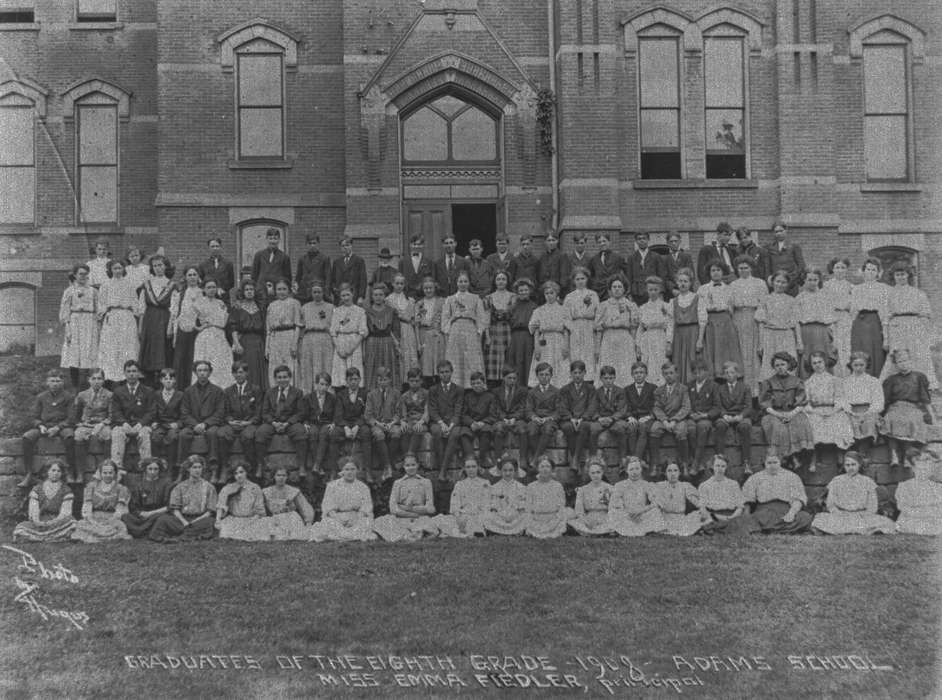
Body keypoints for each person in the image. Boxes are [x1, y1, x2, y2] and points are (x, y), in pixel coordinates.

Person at [881, 261, 936, 390]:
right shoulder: (889, 294)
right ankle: (894, 386)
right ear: (893, 276)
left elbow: (926, 314)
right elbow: (885, 317)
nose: (900, 277)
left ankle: (922, 385)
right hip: (897, 327)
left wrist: (924, 332)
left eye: (903, 274)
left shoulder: (918, 293)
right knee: (897, 356)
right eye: (898, 274)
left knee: (918, 354)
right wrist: (886, 338)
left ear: (908, 275)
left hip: (914, 326)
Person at [811, 451, 896, 535]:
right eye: (847, 465)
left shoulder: (867, 481)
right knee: (820, 519)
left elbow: (873, 506)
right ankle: (862, 530)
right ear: (844, 466)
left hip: (862, 516)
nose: (850, 468)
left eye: (853, 464)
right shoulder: (836, 481)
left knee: (886, 522)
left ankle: (844, 530)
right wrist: (838, 513)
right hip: (842, 516)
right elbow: (830, 504)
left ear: (859, 465)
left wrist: (864, 515)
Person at [18, 369, 75, 488]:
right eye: (52, 381)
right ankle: (29, 473)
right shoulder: (41, 397)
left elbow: (71, 418)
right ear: (47, 383)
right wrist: (40, 425)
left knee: (70, 437)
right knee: (27, 438)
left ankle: (70, 472)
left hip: (61, 427)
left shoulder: (69, 397)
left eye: (58, 381)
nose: (55, 383)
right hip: (44, 426)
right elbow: (34, 417)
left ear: (63, 382)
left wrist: (58, 427)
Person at [759, 352, 814, 470]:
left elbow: (802, 401)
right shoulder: (768, 382)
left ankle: (795, 456)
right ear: (774, 367)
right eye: (777, 365)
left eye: (783, 364)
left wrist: (791, 414)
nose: (780, 367)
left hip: (793, 411)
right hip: (773, 413)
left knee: (799, 423)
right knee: (777, 427)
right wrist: (778, 414)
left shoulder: (797, 381)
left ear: (788, 365)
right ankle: (787, 458)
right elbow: (765, 404)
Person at [255, 365, 308, 481]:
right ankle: (260, 464)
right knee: (260, 433)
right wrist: (273, 423)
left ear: (290, 378)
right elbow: (265, 412)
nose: (282, 380)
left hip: (290, 423)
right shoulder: (270, 392)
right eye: (279, 377)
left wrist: (288, 423)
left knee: (300, 432)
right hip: (273, 423)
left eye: (285, 377)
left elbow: (300, 413)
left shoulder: (297, 392)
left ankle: (302, 465)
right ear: (275, 379)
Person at [881, 349, 933, 468]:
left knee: (911, 420)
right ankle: (893, 454)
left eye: (905, 360)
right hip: (895, 407)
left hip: (912, 407)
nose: (903, 363)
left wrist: (932, 417)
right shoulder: (891, 380)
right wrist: (882, 414)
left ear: (910, 361)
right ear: (896, 364)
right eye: (899, 361)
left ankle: (906, 457)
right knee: (890, 419)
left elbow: (925, 398)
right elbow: (886, 400)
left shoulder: (919, 377)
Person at [803, 351, 854, 471]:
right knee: (812, 422)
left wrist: (833, 411)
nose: (817, 365)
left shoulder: (835, 380)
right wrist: (815, 412)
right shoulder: (808, 382)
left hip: (832, 409)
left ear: (825, 362)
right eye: (814, 363)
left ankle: (840, 456)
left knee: (840, 420)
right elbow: (805, 402)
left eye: (820, 362)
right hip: (815, 411)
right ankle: (813, 458)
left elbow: (840, 398)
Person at [148, 455, 218, 542]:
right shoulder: (180, 487)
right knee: (163, 520)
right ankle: (188, 534)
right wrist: (184, 522)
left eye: (199, 467)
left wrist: (195, 521)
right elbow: (175, 509)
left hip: (200, 519)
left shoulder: (209, 487)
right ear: (188, 469)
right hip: (182, 519)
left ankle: (177, 537)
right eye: (194, 467)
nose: (197, 470)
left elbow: (210, 512)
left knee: (210, 522)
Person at [740, 453, 813, 534]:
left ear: (780, 462)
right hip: (764, 512)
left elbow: (798, 499)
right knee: (752, 519)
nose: (772, 466)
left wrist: (791, 514)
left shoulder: (792, 476)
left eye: (775, 462)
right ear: (764, 463)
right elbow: (747, 498)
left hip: (786, 510)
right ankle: (784, 530)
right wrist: (746, 517)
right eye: (769, 463)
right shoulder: (755, 477)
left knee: (804, 517)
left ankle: (769, 529)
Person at [373, 453, 439, 541]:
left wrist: (407, 508)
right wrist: (412, 514)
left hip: (420, 518)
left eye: (413, 465)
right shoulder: (398, 483)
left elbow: (430, 509)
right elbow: (393, 509)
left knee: (430, 525)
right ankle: (410, 534)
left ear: (417, 465)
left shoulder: (426, 482)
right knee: (380, 522)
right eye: (407, 465)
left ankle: (412, 533)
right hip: (402, 517)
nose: (410, 468)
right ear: (403, 466)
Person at [97, 259, 142, 384]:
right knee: (112, 346)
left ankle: (128, 376)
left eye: (119, 268)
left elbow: (135, 302)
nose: (117, 271)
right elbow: (101, 302)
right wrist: (104, 314)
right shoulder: (105, 285)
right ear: (110, 270)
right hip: (113, 316)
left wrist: (135, 313)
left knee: (127, 345)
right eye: (114, 268)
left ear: (123, 269)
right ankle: (111, 377)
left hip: (127, 316)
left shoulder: (130, 284)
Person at [309, 458, 376, 542]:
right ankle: (350, 536)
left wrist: (357, 518)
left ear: (357, 471)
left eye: (352, 469)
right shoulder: (332, 486)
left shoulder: (363, 487)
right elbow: (327, 505)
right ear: (341, 471)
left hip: (356, 516)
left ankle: (343, 536)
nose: (349, 472)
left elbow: (367, 505)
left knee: (365, 522)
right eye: (346, 469)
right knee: (328, 523)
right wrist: (337, 518)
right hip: (337, 516)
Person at [178, 361, 225, 478]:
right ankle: (182, 469)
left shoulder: (217, 391)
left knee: (213, 433)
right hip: (193, 425)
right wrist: (195, 425)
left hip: (210, 425)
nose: (202, 373)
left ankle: (213, 469)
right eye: (200, 370)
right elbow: (184, 413)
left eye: (205, 370)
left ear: (210, 373)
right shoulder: (188, 391)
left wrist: (205, 424)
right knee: (183, 434)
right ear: (195, 373)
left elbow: (220, 412)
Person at [109, 360, 155, 478]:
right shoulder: (118, 391)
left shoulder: (148, 391)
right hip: (124, 424)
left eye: (134, 371)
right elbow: (115, 411)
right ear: (124, 373)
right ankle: (117, 468)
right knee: (117, 433)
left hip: (142, 425)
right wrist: (123, 423)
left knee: (145, 434)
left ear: (139, 373)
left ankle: (147, 468)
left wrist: (141, 424)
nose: (131, 374)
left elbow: (151, 411)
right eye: (128, 371)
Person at [728, 255, 768, 394]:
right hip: (738, 319)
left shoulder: (760, 283)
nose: (743, 270)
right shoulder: (733, 285)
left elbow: (763, 305)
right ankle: (741, 391)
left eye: (746, 267)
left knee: (753, 355)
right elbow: (730, 307)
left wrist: (760, 321)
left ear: (751, 268)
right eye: (740, 268)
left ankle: (755, 392)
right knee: (740, 354)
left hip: (753, 319)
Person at [442, 270, 487, 388]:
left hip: (470, 331)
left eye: (465, 281)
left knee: (471, 360)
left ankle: (472, 386)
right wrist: (453, 318)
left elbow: (482, 319)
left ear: (469, 283)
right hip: (455, 331)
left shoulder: (476, 298)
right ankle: (456, 386)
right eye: (460, 281)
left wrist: (478, 331)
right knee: (456, 360)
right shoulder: (450, 299)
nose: (463, 283)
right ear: (456, 283)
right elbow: (444, 320)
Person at [12, 460, 77, 542]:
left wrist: (53, 522)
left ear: (62, 473)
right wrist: (38, 522)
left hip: (58, 522)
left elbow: (65, 513)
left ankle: (39, 537)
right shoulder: (37, 488)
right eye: (53, 470)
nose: (56, 473)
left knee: (72, 523)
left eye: (59, 471)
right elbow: (33, 510)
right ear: (47, 472)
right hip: (40, 521)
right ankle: (55, 537)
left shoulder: (66, 490)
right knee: (20, 528)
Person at [697, 262, 743, 379]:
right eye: (713, 270)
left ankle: (728, 377)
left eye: (718, 270)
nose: (716, 272)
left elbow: (732, 307)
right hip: (711, 322)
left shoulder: (729, 288)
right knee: (712, 351)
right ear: (709, 273)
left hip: (726, 321)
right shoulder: (703, 289)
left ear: (723, 272)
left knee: (727, 350)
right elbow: (701, 310)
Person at [218, 361, 262, 480]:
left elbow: (259, 411)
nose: (239, 375)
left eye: (241, 372)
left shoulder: (255, 389)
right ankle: (224, 467)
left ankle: (250, 468)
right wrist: (230, 421)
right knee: (222, 434)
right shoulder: (228, 391)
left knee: (248, 436)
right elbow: (224, 410)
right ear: (233, 374)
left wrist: (249, 422)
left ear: (247, 373)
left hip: (249, 423)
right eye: (236, 373)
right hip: (233, 423)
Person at [755, 270, 801, 382]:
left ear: (788, 284)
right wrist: (760, 344)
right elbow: (761, 322)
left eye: (784, 282)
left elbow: (796, 323)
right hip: (770, 335)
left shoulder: (792, 300)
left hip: (787, 335)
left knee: (788, 363)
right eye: (778, 281)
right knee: (770, 365)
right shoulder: (765, 299)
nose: (780, 284)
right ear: (773, 282)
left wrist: (799, 342)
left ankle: (789, 393)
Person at [59, 263, 99, 390]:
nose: (83, 276)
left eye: (86, 274)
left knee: (89, 351)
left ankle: (89, 384)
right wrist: (68, 328)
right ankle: (76, 385)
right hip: (75, 321)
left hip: (90, 321)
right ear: (75, 275)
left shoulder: (93, 291)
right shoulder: (69, 291)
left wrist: (98, 324)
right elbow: (65, 311)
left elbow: (98, 310)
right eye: (81, 274)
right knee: (74, 352)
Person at [71, 460, 132, 542]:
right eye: (105, 473)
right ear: (100, 473)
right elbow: (87, 506)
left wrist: (112, 519)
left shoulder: (121, 489)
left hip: (112, 518)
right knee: (81, 524)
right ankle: (101, 534)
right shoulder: (91, 486)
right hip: (94, 517)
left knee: (120, 526)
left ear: (115, 473)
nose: (107, 475)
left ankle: (98, 535)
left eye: (110, 473)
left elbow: (120, 510)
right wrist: (91, 520)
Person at [595, 278, 639, 387]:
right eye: (614, 287)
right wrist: (597, 346)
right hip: (609, 337)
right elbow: (598, 326)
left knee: (625, 365)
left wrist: (634, 342)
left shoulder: (631, 305)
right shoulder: (604, 305)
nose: (617, 289)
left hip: (625, 338)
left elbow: (634, 326)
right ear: (610, 290)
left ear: (624, 289)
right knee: (609, 364)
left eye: (620, 287)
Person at [138, 255, 175, 386]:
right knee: (149, 350)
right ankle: (148, 384)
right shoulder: (147, 284)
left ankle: (163, 383)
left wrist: (170, 326)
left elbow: (174, 309)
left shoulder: (172, 285)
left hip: (164, 320)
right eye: (155, 266)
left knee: (163, 350)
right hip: (149, 320)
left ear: (165, 266)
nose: (158, 268)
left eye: (160, 265)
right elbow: (141, 308)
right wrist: (140, 327)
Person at [714, 361, 756, 475]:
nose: (729, 375)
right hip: (726, 414)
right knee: (720, 425)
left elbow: (749, 406)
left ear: (737, 374)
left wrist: (741, 416)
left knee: (745, 427)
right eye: (726, 373)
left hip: (741, 414)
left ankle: (746, 462)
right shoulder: (720, 388)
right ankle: (720, 460)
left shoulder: (745, 387)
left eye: (732, 372)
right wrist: (724, 415)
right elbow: (718, 405)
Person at [329, 367, 371, 481]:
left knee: (367, 433)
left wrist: (358, 426)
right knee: (334, 434)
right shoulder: (341, 394)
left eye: (356, 379)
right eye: (350, 379)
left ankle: (367, 470)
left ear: (360, 380)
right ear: (346, 380)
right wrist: (346, 427)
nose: (353, 382)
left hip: (360, 424)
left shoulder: (365, 393)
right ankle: (333, 470)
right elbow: (338, 415)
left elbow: (366, 413)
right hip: (345, 424)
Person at [70, 367, 112, 481]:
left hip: (102, 424)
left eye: (99, 378)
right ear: (89, 380)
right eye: (94, 378)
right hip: (86, 424)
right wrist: (78, 423)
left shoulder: (109, 395)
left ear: (104, 380)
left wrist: (103, 423)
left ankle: (105, 470)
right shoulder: (82, 395)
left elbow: (111, 415)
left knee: (108, 435)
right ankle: (80, 472)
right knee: (78, 435)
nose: (97, 381)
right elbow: (76, 413)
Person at [850, 257, 889, 378]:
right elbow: (853, 311)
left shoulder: (883, 289)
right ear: (863, 271)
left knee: (875, 352)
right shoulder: (856, 289)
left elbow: (884, 311)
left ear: (878, 273)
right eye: (868, 269)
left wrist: (886, 334)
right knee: (859, 352)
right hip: (859, 324)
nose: (870, 272)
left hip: (874, 323)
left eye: (873, 270)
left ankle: (875, 382)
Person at [648, 362, 690, 474]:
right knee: (654, 429)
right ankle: (655, 464)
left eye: (671, 373)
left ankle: (685, 464)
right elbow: (657, 408)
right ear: (662, 375)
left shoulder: (683, 389)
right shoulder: (658, 391)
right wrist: (665, 420)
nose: (668, 376)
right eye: (666, 373)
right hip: (664, 419)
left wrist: (675, 420)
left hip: (678, 419)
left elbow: (686, 407)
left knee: (681, 431)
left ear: (676, 374)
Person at [434, 457, 491, 538]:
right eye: (468, 467)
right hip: (463, 516)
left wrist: (477, 514)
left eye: (473, 466)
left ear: (478, 467)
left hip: (479, 515)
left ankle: (467, 532)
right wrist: (458, 517)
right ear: (464, 469)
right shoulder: (460, 484)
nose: (471, 469)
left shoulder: (485, 483)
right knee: (439, 519)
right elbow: (455, 503)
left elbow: (487, 504)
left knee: (487, 518)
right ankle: (466, 532)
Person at [841, 352, 884, 459]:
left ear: (866, 365)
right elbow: (842, 400)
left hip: (868, 410)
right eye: (856, 365)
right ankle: (852, 454)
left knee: (868, 422)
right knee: (848, 422)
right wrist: (850, 411)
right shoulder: (845, 382)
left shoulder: (873, 381)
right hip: (851, 411)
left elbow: (878, 401)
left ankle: (863, 453)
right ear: (851, 365)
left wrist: (868, 412)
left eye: (861, 365)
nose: (858, 368)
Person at [528, 281, 571, 387]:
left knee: (560, 365)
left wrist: (566, 346)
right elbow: (535, 330)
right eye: (546, 293)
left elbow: (567, 329)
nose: (549, 296)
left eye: (552, 293)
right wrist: (536, 347)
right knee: (544, 363)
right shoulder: (538, 311)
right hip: (544, 341)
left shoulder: (564, 310)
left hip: (558, 340)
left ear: (556, 294)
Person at [609, 456, 665, 536]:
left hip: (642, 515)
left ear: (641, 469)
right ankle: (634, 529)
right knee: (613, 513)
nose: (634, 472)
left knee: (656, 511)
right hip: (627, 515)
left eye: (637, 469)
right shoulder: (620, 485)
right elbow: (614, 503)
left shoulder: (646, 484)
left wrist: (642, 511)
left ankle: (640, 529)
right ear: (626, 471)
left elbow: (656, 501)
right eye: (631, 469)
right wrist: (628, 513)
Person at [191, 279, 233, 389]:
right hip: (205, 337)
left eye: (214, 287)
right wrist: (199, 327)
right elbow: (186, 320)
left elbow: (224, 322)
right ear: (204, 289)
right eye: (209, 287)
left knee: (219, 364)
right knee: (205, 362)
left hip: (219, 336)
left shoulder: (221, 303)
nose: (211, 289)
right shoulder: (198, 303)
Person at [795, 269, 836, 379]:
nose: (812, 282)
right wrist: (799, 342)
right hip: (806, 333)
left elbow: (831, 321)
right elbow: (797, 322)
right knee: (807, 361)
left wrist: (833, 339)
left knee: (824, 359)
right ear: (804, 280)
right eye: (809, 280)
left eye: (815, 280)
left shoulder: (825, 297)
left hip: (823, 333)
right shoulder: (800, 298)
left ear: (819, 280)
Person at [666, 268, 704, 385]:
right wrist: (669, 342)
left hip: (693, 333)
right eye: (680, 281)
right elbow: (670, 323)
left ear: (691, 283)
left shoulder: (697, 298)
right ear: (677, 283)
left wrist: (700, 340)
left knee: (692, 361)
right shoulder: (673, 301)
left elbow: (702, 321)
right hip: (678, 335)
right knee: (678, 362)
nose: (682, 284)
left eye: (685, 281)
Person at [229, 279, 268, 391]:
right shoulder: (238, 307)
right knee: (245, 368)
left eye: (251, 289)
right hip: (244, 342)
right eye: (247, 289)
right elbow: (233, 327)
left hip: (258, 342)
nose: (249, 291)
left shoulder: (260, 307)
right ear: (243, 292)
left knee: (258, 369)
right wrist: (236, 343)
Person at [558, 360, 596, 474]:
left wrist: (582, 418)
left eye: (580, 373)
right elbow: (562, 407)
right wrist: (571, 418)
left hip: (584, 419)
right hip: (569, 419)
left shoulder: (590, 388)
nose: (577, 375)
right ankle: (576, 461)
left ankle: (574, 460)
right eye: (575, 373)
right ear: (571, 374)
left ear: (585, 373)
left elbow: (592, 406)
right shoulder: (565, 389)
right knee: (568, 427)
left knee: (584, 426)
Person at [563, 267, 600, 383]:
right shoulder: (569, 297)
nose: (580, 281)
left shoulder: (593, 294)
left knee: (589, 353)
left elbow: (598, 313)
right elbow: (565, 317)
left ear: (587, 279)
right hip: (575, 327)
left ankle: (589, 380)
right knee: (576, 353)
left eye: (582, 278)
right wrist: (571, 329)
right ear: (573, 281)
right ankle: (576, 379)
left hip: (589, 326)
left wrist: (595, 326)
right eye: (577, 279)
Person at [428, 360, 464, 480]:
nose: (444, 374)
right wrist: (441, 423)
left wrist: (451, 425)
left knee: (454, 434)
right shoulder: (433, 390)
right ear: (438, 374)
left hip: (453, 422)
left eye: (447, 372)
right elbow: (432, 410)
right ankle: (442, 470)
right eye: (442, 372)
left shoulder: (458, 389)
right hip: (438, 422)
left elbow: (458, 410)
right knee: (437, 432)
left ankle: (442, 471)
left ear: (452, 372)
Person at [297, 281, 334, 394]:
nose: (317, 294)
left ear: (323, 292)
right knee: (308, 367)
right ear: (311, 293)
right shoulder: (305, 307)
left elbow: (335, 325)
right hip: (309, 339)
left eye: (319, 292)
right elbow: (300, 327)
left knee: (325, 365)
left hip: (324, 338)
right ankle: (308, 394)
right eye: (314, 292)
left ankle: (325, 393)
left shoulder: (330, 307)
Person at [122, 457, 173, 538]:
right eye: (150, 469)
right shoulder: (139, 483)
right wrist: (141, 513)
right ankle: (144, 531)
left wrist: (150, 513)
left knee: (162, 519)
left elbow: (169, 505)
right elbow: (134, 505)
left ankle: (146, 531)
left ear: (159, 470)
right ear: (145, 469)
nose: (153, 472)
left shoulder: (166, 482)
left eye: (156, 469)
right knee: (126, 517)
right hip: (143, 515)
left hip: (158, 513)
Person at [365, 367, 401, 481]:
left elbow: (399, 411)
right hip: (377, 424)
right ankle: (388, 466)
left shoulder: (396, 393)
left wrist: (393, 422)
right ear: (377, 380)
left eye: (385, 379)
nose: (383, 382)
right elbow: (368, 415)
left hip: (391, 423)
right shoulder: (371, 394)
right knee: (378, 434)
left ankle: (387, 465)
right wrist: (377, 423)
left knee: (396, 432)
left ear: (390, 380)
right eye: (380, 380)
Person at [215, 464, 269, 541]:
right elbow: (221, 505)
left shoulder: (255, 487)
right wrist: (218, 519)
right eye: (236, 473)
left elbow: (259, 508)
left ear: (246, 473)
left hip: (252, 519)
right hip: (234, 519)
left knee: (262, 528)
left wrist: (253, 520)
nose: (239, 475)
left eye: (241, 472)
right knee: (225, 529)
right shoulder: (228, 488)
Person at [686, 358, 721, 475]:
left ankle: (696, 463)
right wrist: (691, 414)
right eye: (695, 372)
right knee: (690, 429)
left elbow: (717, 407)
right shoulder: (689, 385)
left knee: (703, 427)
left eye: (700, 372)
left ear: (706, 372)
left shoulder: (713, 386)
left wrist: (706, 415)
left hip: (705, 417)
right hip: (691, 416)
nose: (697, 375)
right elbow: (685, 403)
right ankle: (699, 463)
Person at [329, 283, 368, 388]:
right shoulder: (337, 311)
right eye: (343, 296)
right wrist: (338, 347)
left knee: (354, 368)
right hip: (340, 340)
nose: (345, 298)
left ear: (353, 295)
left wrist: (352, 347)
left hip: (354, 342)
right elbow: (333, 331)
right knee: (340, 372)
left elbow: (363, 331)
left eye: (348, 295)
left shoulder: (360, 311)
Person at [363, 283, 401, 390]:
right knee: (372, 366)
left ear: (384, 296)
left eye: (380, 294)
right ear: (372, 296)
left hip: (387, 342)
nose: (378, 297)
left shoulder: (391, 311)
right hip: (372, 342)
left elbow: (396, 331)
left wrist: (397, 344)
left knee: (389, 366)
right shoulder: (367, 311)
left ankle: (390, 392)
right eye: (375, 295)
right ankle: (372, 392)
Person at [170, 266, 203, 390]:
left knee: (194, 358)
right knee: (180, 360)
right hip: (182, 330)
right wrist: (172, 331)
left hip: (198, 330)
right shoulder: (180, 294)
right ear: (185, 278)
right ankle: (180, 390)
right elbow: (175, 314)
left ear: (198, 277)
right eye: (190, 275)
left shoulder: (203, 293)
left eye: (195, 274)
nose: (192, 277)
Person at [697, 454, 747, 535]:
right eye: (717, 465)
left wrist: (731, 517)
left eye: (723, 466)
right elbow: (702, 508)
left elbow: (740, 507)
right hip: (713, 515)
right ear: (712, 467)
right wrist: (710, 516)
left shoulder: (733, 484)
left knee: (740, 521)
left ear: (726, 468)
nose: (720, 468)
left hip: (730, 515)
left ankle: (718, 528)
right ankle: (716, 527)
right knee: (702, 518)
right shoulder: (704, 485)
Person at [636, 276, 672, 386]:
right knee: (647, 362)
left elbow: (670, 325)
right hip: (647, 339)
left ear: (660, 290)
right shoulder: (643, 307)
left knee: (660, 362)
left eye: (655, 289)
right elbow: (640, 328)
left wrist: (669, 343)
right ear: (647, 290)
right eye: (650, 290)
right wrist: (637, 344)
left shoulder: (665, 306)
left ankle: (662, 387)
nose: (653, 292)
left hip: (660, 337)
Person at [265, 279, 301, 387]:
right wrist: (267, 347)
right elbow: (268, 329)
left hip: (289, 335)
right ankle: (276, 393)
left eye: (284, 289)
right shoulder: (271, 305)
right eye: (279, 289)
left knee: (289, 365)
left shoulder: (294, 303)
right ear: (275, 291)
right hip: (275, 338)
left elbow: (298, 325)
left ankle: (290, 392)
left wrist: (294, 343)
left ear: (289, 290)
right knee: (275, 366)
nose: (281, 292)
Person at [263, 466, 315, 541]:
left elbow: (304, 507)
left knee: (295, 535)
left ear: (287, 477)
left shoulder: (293, 491)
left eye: (284, 475)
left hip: (290, 518)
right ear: (273, 476)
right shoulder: (266, 491)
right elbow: (259, 506)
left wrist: (308, 522)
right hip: (275, 518)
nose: (281, 478)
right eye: (278, 475)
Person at [492, 368, 528, 473]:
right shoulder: (496, 391)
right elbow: (496, 408)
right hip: (502, 419)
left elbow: (523, 408)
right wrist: (503, 418)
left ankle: (523, 458)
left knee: (522, 429)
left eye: (514, 378)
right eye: (509, 378)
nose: (512, 380)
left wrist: (514, 418)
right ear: (504, 378)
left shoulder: (522, 391)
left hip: (516, 419)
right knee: (498, 428)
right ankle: (498, 459)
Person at [895, 453, 942, 535]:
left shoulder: (938, 487)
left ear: (930, 471)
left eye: (925, 470)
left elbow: (939, 507)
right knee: (910, 525)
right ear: (913, 469)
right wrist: (919, 512)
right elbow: (902, 506)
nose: (922, 472)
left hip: (931, 518)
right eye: (919, 469)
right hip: (911, 518)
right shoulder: (904, 486)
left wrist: (929, 512)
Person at [525, 363, 560, 473]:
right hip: (536, 419)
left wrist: (549, 418)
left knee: (548, 428)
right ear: (537, 376)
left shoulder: (556, 391)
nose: (544, 377)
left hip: (549, 419)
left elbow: (559, 410)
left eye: (547, 374)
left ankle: (535, 460)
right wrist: (534, 417)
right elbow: (528, 409)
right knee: (531, 429)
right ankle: (540, 458)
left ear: (551, 376)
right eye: (541, 375)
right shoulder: (531, 392)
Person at [386, 273, 419, 388]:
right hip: (396, 329)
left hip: (408, 330)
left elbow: (413, 320)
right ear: (393, 284)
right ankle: (398, 385)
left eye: (401, 283)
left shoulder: (410, 300)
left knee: (410, 356)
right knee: (399, 355)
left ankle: (410, 383)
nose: (399, 286)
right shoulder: (388, 300)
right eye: (397, 283)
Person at [652, 462, 702, 536]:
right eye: (669, 471)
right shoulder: (660, 486)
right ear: (665, 473)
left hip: (681, 519)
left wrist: (701, 508)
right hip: (665, 519)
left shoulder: (684, 486)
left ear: (679, 473)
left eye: (675, 470)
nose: (673, 474)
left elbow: (697, 499)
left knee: (699, 514)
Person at [525, 455, 570, 538]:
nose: (545, 469)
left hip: (553, 518)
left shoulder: (558, 486)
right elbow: (528, 507)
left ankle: (553, 529)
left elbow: (561, 506)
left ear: (552, 469)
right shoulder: (531, 486)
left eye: (547, 466)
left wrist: (555, 521)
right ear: (538, 469)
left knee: (566, 512)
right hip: (537, 519)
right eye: (542, 466)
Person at [823, 257, 854, 378]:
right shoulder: (826, 286)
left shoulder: (850, 286)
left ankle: (847, 377)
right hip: (831, 319)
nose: (840, 270)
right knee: (834, 347)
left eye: (843, 267)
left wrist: (847, 308)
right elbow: (824, 304)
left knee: (846, 348)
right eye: (837, 267)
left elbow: (853, 305)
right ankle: (835, 378)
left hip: (846, 319)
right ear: (833, 269)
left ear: (846, 270)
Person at [461, 371, 497, 469]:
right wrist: (471, 423)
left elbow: (493, 415)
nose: (476, 386)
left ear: (483, 383)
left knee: (487, 430)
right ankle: (470, 457)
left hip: (484, 423)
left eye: (478, 383)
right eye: (473, 384)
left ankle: (483, 457)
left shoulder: (490, 397)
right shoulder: (467, 396)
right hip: (471, 424)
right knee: (463, 432)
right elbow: (463, 414)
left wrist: (483, 422)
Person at [591, 365, 629, 461]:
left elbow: (622, 409)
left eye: (611, 378)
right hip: (601, 420)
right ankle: (593, 458)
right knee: (592, 429)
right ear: (601, 379)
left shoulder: (620, 391)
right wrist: (598, 418)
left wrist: (612, 418)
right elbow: (593, 408)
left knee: (621, 429)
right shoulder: (597, 392)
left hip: (615, 420)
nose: (608, 381)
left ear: (615, 378)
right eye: (605, 378)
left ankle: (623, 459)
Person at [757, 221, 805, 295]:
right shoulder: (769, 247)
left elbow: (801, 265)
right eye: (776, 232)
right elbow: (767, 266)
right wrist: (769, 279)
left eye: (781, 231)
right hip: (776, 284)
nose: (778, 234)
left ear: (786, 231)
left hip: (790, 284)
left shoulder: (794, 247)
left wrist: (792, 280)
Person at [484, 270, 515, 386]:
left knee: (506, 357)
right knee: (492, 358)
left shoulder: (513, 297)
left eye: (503, 279)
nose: (501, 281)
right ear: (494, 281)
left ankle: (506, 383)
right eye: (498, 279)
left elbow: (514, 317)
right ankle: (493, 385)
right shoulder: (488, 298)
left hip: (507, 331)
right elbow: (485, 318)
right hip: (493, 331)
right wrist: (487, 336)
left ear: (507, 281)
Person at [151, 369, 183, 478]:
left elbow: (183, 413)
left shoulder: (180, 395)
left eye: (171, 379)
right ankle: (157, 466)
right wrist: (154, 422)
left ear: (175, 381)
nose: (168, 381)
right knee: (155, 436)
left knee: (173, 436)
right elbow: (153, 411)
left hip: (173, 424)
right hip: (160, 424)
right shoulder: (156, 394)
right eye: (165, 379)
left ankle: (170, 468)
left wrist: (178, 423)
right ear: (161, 380)